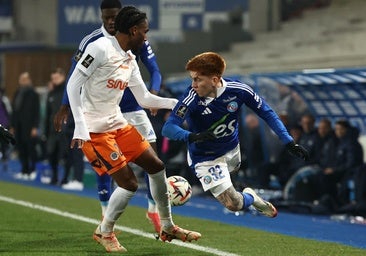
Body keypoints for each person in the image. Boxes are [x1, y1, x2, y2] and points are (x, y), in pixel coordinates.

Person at [66, 6, 201, 252]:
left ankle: (168, 226)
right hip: (94, 131)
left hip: (117, 123)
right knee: (129, 183)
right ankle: (105, 232)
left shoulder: (129, 59)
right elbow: (74, 84)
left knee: (157, 166)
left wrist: (179, 104)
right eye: (145, 33)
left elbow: (145, 99)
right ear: (134, 30)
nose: (146, 38)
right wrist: (79, 126)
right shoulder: (99, 49)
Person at [53, 0, 161, 232]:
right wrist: (65, 106)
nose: (111, 21)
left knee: (152, 157)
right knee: (108, 167)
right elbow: (75, 75)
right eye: (106, 18)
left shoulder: (136, 36)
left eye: (114, 17)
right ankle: (105, 214)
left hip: (133, 109)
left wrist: (154, 92)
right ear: (102, 17)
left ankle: (155, 210)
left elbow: (154, 68)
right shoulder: (93, 42)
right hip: (103, 113)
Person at [162, 52, 309, 218]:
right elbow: (168, 128)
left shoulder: (239, 90)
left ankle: (245, 194)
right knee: (234, 205)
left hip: (232, 149)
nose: (193, 84)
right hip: (206, 158)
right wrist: (192, 136)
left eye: (198, 79)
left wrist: (288, 142)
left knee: (232, 193)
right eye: (192, 79)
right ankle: (251, 198)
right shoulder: (191, 98)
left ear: (215, 80)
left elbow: (267, 113)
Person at [11, 72, 40, 180]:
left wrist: (35, 127)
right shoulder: (17, 93)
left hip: (29, 127)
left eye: (25, 79)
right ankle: (24, 170)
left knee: (30, 149)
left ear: (29, 80)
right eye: (21, 79)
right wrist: (12, 125)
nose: (23, 81)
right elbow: (14, 111)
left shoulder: (33, 94)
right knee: (20, 148)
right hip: (18, 126)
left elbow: (36, 112)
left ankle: (32, 170)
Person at [44, 68, 69, 185]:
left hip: (65, 129)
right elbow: (48, 113)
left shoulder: (68, 91)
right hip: (52, 129)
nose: (54, 80)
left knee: (65, 155)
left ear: (63, 77)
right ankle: (54, 176)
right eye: (52, 78)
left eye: (56, 78)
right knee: (51, 153)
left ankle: (65, 178)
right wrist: (45, 131)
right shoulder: (51, 93)